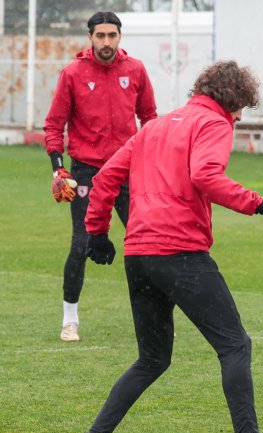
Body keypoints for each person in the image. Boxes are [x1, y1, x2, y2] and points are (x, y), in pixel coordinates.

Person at [81, 60, 263, 433]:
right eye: (242, 107)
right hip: (179, 253)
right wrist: (259, 204)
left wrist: (97, 233)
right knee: (235, 345)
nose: (240, 117)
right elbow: (206, 175)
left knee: (152, 359)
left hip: (138, 256)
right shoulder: (214, 123)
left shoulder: (154, 127)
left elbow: (105, 177)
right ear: (232, 98)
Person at [45, 11, 157, 342]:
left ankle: (155, 318)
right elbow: (54, 124)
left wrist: (150, 161)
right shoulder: (73, 73)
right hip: (86, 172)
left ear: (120, 37)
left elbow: (149, 117)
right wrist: (57, 167)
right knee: (81, 243)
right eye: (100, 36)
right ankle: (70, 320)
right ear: (90, 38)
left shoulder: (135, 70)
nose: (106, 41)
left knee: (148, 243)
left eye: (112, 35)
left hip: (127, 170)